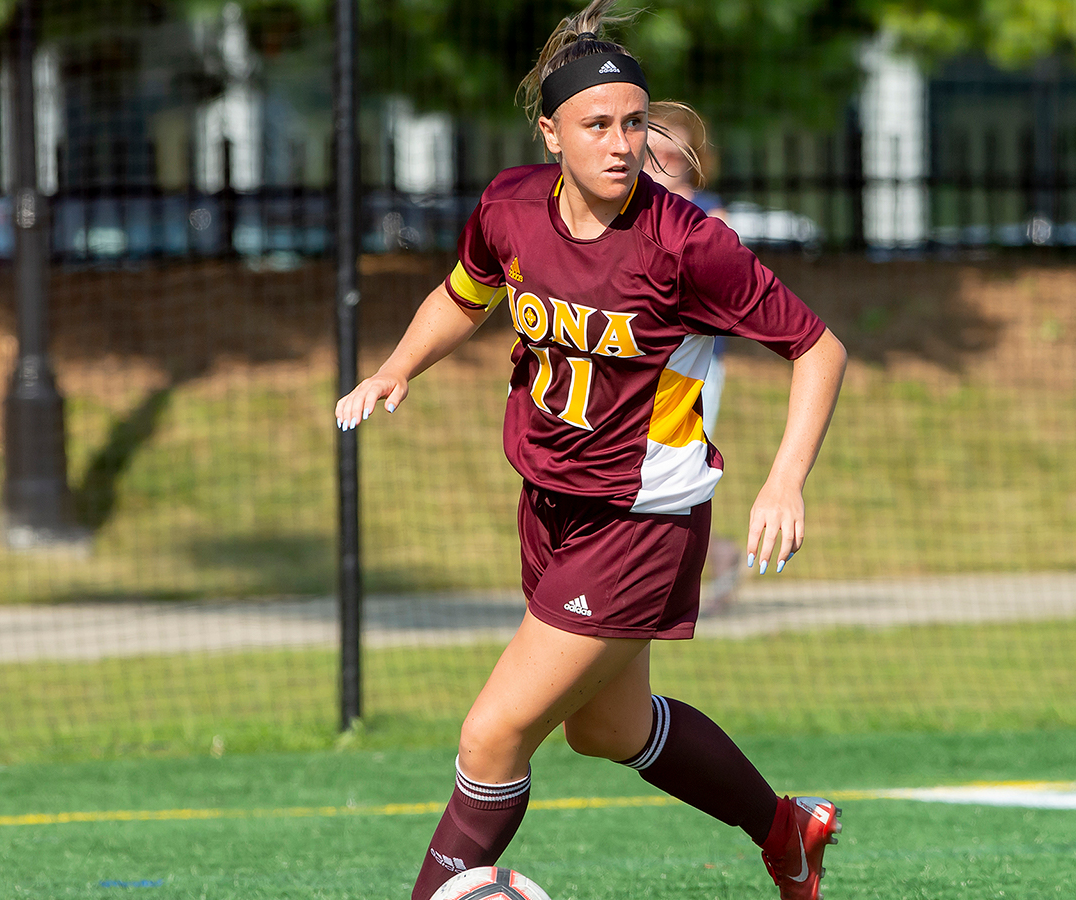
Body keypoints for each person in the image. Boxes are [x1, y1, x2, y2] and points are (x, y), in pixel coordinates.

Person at [332, 2, 849, 898]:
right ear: (550, 133)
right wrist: (397, 368)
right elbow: (466, 294)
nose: (621, 144)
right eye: (597, 124)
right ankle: (785, 830)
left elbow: (818, 346)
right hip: (551, 501)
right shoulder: (509, 207)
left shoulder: (687, 244)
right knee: (607, 730)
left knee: (492, 734)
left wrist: (785, 482)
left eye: (635, 123)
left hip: (641, 519)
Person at [645, 100, 742, 609]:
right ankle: (709, 558)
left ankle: (687, 570)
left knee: (678, 468)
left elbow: (723, 286)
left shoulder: (708, 212)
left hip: (692, 367)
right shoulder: (622, 206)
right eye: (653, 147)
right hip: (628, 362)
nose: (661, 158)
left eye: (674, 152)